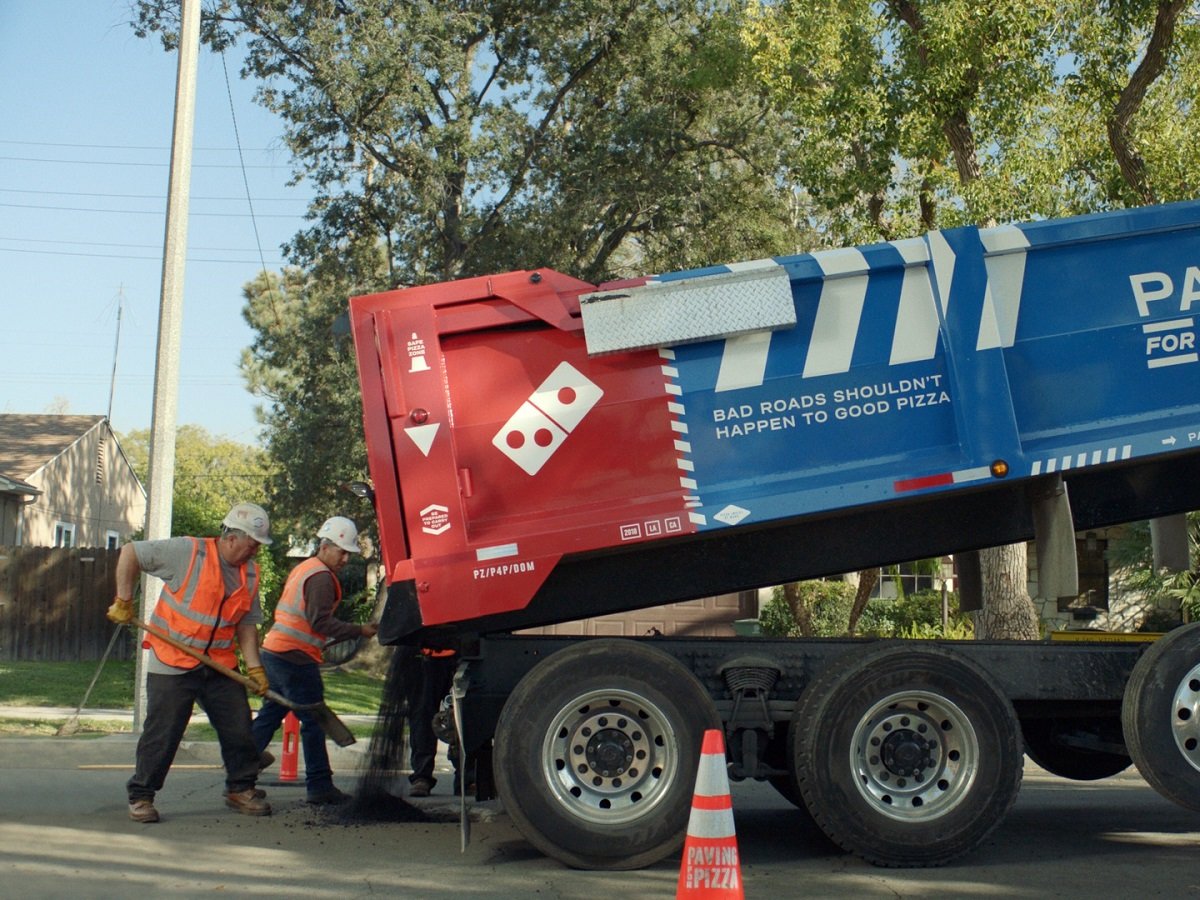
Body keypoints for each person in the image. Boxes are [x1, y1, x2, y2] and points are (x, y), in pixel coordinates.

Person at [106, 502, 274, 823]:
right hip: (173, 658)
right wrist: (124, 600)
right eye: (252, 544)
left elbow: (246, 625)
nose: (255, 551)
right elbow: (130, 553)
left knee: (238, 725)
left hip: (218, 662)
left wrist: (254, 668)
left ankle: (240, 788)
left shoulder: (250, 572)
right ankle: (141, 795)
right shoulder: (189, 553)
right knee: (164, 732)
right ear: (231, 538)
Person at [251, 516, 378, 804]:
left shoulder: (305, 569)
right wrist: (359, 630)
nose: (345, 559)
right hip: (295, 657)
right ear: (324, 546)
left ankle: (240, 772)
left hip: (276, 651)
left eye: (349, 553)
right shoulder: (320, 577)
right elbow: (320, 622)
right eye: (342, 552)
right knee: (313, 719)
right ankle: (319, 786)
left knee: (272, 712)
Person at [406, 645, 460, 797]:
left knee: (465, 715)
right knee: (422, 716)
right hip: (423, 654)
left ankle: (468, 776)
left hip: (462, 650)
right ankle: (421, 776)